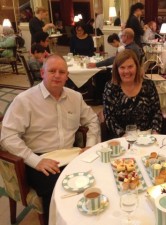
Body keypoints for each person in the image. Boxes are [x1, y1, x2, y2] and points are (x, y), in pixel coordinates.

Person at [0, 54, 100, 224]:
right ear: (42, 73)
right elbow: (7, 136)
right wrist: (35, 160)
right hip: (39, 158)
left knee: (98, 177)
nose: (57, 75)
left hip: (70, 155)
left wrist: (90, 145)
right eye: (52, 70)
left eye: (62, 72)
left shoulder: (75, 97)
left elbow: (92, 120)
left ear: (67, 76)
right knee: (57, 189)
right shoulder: (25, 100)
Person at [103, 49, 162, 138]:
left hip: (147, 137)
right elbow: (109, 118)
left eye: (130, 67)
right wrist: (123, 135)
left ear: (137, 67)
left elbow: (157, 112)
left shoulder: (148, 85)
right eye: (122, 67)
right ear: (117, 69)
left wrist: (155, 133)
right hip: (122, 139)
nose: (126, 71)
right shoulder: (111, 87)